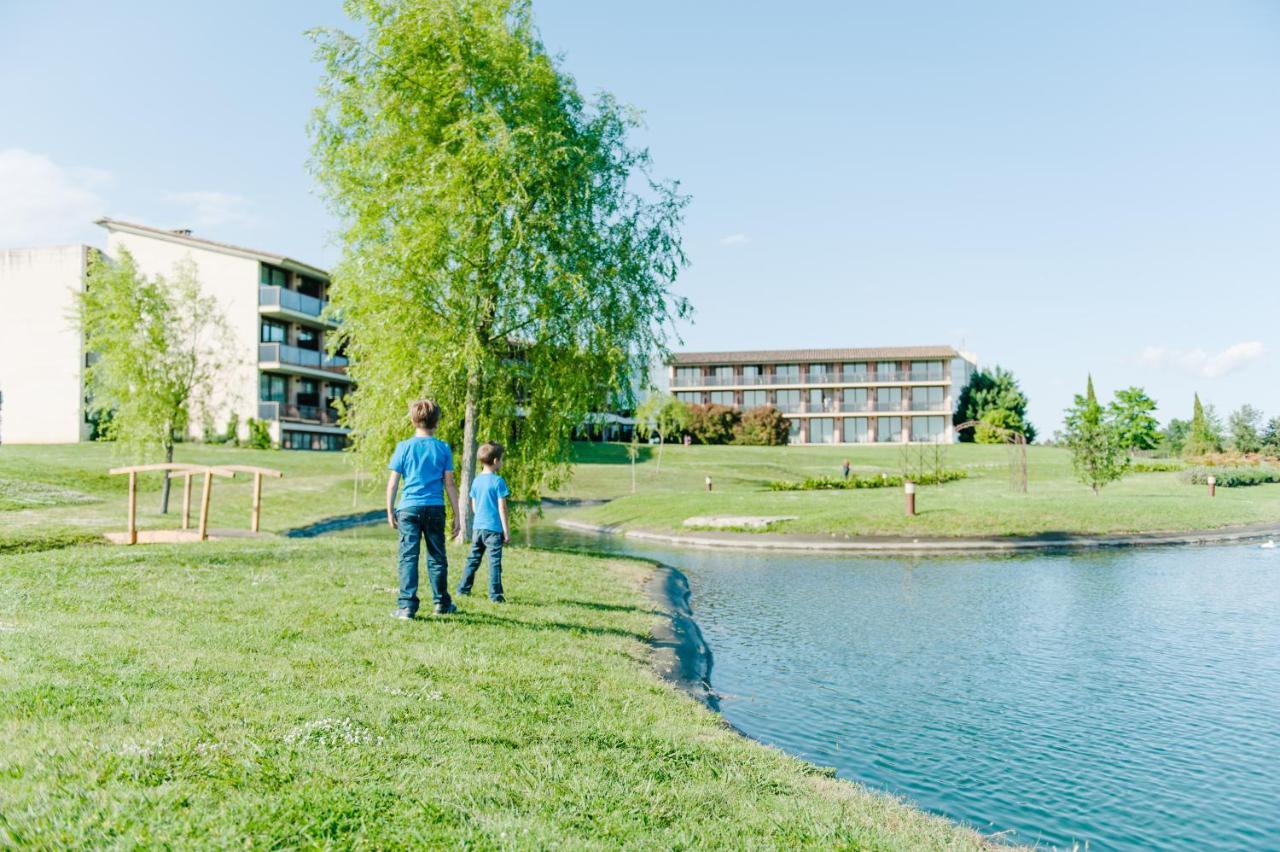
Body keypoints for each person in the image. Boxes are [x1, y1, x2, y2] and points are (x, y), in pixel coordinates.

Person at [386, 399, 460, 619]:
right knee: (437, 556)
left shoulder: (404, 447)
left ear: (412, 421)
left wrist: (390, 510)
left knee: (408, 556)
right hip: (435, 507)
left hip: (408, 508)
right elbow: (450, 484)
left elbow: (393, 483)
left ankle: (407, 606)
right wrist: (458, 514)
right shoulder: (443, 448)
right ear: (436, 422)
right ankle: (441, 603)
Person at [457, 442, 511, 602]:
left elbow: (474, 506)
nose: (502, 462)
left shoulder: (476, 481)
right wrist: (506, 531)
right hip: (494, 530)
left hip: (478, 528)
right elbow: (502, 508)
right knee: (494, 562)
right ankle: (495, 595)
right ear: (495, 461)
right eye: (501, 459)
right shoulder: (498, 481)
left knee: (473, 559)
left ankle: (463, 589)